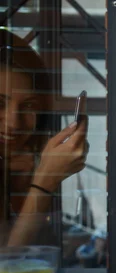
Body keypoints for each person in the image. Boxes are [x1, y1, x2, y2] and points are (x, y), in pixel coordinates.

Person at [0, 29, 88, 247]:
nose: (13, 122)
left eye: (28, 105)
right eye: (0, 103)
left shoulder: (20, 166)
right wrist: (45, 180)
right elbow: (7, 268)